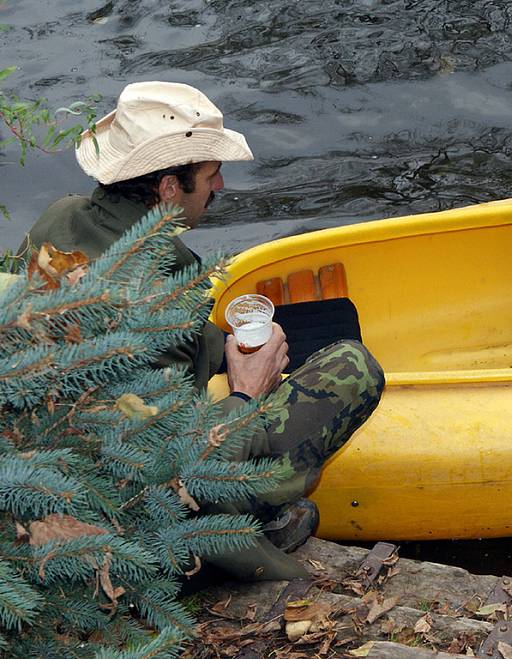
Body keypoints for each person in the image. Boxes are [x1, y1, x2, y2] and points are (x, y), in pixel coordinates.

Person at [19, 81, 385, 580]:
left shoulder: (59, 219)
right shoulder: (149, 297)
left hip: (65, 450)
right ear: (169, 187)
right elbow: (168, 467)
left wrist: (225, 349)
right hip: (138, 507)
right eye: (212, 175)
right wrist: (246, 391)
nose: (220, 187)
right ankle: (237, 529)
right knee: (352, 366)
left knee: (312, 328)